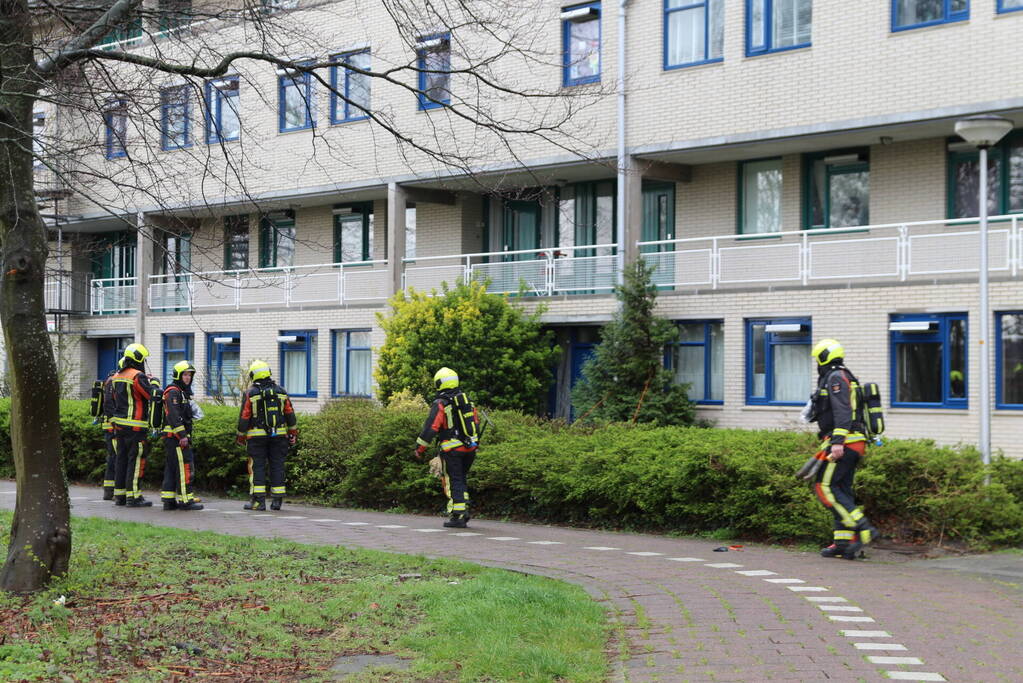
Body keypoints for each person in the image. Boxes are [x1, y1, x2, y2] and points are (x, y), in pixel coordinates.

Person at [808, 339, 877, 560]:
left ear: (824, 356)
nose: (817, 363)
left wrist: (837, 441)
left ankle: (862, 526)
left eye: (817, 358)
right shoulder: (843, 374)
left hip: (844, 442)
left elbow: (843, 410)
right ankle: (843, 543)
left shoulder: (836, 377)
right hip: (852, 442)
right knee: (842, 489)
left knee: (823, 487)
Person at [414, 367, 479, 528]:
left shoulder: (441, 403)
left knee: (453, 481)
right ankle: (463, 510)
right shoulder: (466, 401)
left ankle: (457, 516)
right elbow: (475, 422)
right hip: (470, 448)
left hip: (452, 450)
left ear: (439, 383)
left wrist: (419, 449)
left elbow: (431, 428)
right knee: (461, 479)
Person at [236, 360, 297, 511]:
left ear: (253, 375)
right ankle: (277, 501)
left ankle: (258, 502)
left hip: (256, 438)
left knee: (257, 467)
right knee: (277, 466)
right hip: (279, 436)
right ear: (269, 372)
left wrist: (240, 435)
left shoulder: (251, 393)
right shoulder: (281, 391)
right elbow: (290, 413)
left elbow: (245, 416)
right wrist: (293, 433)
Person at [109, 343, 161, 507]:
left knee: (121, 460)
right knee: (136, 460)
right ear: (138, 358)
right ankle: (134, 497)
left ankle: (120, 496)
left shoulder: (117, 375)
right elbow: (149, 395)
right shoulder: (137, 376)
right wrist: (154, 383)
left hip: (119, 426)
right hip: (136, 426)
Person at [161, 360, 203, 511]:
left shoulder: (181, 392)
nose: (188, 378)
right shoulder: (173, 392)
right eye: (185, 374)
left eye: (190, 375)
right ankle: (186, 500)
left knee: (172, 468)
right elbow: (173, 415)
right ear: (178, 375)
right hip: (176, 438)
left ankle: (169, 499)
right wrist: (183, 435)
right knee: (185, 466)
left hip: (174, 437)